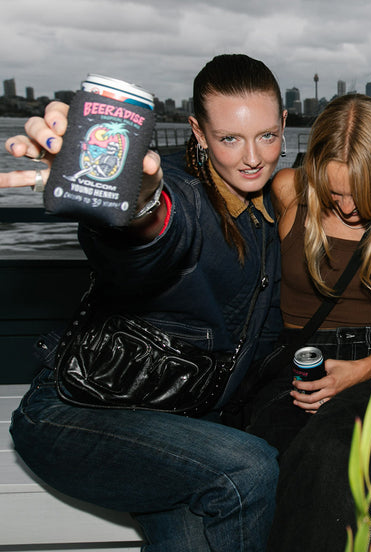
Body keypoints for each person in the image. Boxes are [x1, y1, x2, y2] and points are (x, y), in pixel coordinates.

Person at [5, 53, 285, 551]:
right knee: (250, 467)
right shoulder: (186, 194)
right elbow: (155, 235)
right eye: (229, 138)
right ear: (198, 133)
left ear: (284, 125)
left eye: (267, 135)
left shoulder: (269, 211)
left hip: (178, 429)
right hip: (76, 414)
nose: (252, 157)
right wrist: (138, 205)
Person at [237, 94, 371, 551]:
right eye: (335, 191)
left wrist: (364, 369)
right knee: (265, 452)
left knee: (333, 453)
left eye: (361, 193)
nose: (347, 207)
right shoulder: (288, 190)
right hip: (299, 361)